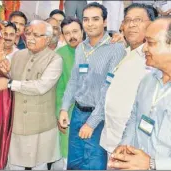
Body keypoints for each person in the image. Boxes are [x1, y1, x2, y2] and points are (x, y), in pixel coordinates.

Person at [58, 2, 126, 169]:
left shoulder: (116, 49)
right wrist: (64, 108)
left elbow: (109, 90)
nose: (90, 23)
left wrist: (92, 122)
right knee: (74, 164)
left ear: (105, 22)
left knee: (93, 165)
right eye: (86, 19)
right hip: (77, 114)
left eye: (95, 19)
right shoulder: (81, 47)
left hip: (99, 118)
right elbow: (74, 80)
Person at [0, 20, 63, 170]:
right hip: (18, 123)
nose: (30, 38)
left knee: (39, 166)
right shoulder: (18, 55)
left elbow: (41, 86)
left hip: (41, 126)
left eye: (36, 35)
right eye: (28, 33)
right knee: (14, 164)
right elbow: (11, 76)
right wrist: (6, 71)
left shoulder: (55, 59)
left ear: (47, 39)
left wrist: (9, 83)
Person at [108, 16, 171, 170]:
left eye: (150, 43)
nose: (144, 49)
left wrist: (153, 164)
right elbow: (135, 118)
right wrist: (125, 144)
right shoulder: (147, 80)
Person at [100, 3, 156, 164]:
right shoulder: (123, 51)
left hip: (133, 147)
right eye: (127, 20)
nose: (131, 24)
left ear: (152, 25)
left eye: (138, 20)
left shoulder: (152, 58)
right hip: (112, 138)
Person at [53, 17, 84, 170]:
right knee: (68, 159)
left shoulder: (95, 50)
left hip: (94, 117)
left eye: (75, 31)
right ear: (63, 36)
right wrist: (59, 113)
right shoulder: (59, 55)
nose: (72, 36)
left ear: (82, 31)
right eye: (67, 33)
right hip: (69, 115)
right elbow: (58, 90)